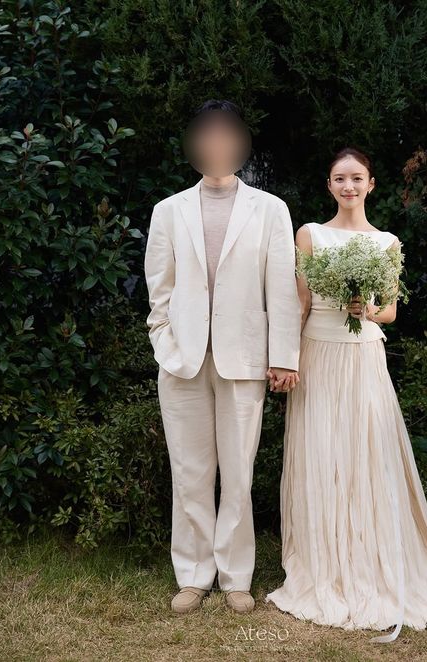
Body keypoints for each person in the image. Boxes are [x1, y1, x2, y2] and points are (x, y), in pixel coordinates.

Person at [265, 147, 427, 642]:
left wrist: (365, 308)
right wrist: (286, 359)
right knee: (322, 452)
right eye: (339, 178)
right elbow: (299, 302)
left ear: (370, 184)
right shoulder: (310, 234)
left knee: (366, 451)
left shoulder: (387, 242)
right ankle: (324, 562)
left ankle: (372, 558)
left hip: (364, 355)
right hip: (318, 354)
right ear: (329, 185)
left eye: (357, 178)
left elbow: (390, 310)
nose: (348, 186)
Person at [144, 99, 301, 615]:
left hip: (244, 359)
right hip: (182, 361)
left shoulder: (270, 209)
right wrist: (164, 342)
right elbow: (159, 290)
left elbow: (281, 289)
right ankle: (193, 576)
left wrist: (284, 356)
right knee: (189, 473)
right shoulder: (168, 210)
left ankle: (236, 578)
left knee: (237, 474)